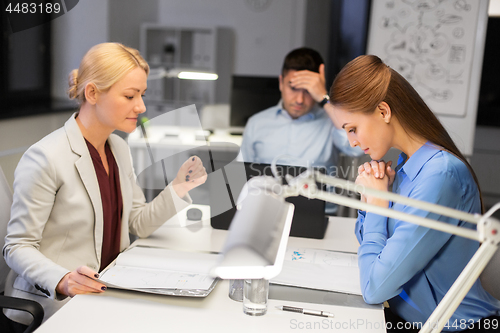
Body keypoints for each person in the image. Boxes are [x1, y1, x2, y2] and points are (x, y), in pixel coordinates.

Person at [3, 43, 207, 327]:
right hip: (57, 304)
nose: (141, 106)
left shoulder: (119, 149)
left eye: (142, 95)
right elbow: (17, 247)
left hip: (108, 291)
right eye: (129, 96)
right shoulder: (46, 157)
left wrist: (179, 187)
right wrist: (62, 280)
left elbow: (138, 223)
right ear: (92, 93)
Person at [329, 54, 500, 332]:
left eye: (353, 129)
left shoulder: (439, 176)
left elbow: (375, 287)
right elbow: (371, 245)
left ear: (383, 112)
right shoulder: (405, 164)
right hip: (407, 319)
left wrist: (377, 207)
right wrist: (372, 202)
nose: (353, 142)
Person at [239, 47, 362, 175]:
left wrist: (324, 98)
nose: (299, 100)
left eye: (308, 91)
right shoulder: (256, 123)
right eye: (293, 88)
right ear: (281, 82)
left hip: (317, 194)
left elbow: (358, 149)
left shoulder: (331, 122)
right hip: (265, 194)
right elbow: (241, 176)